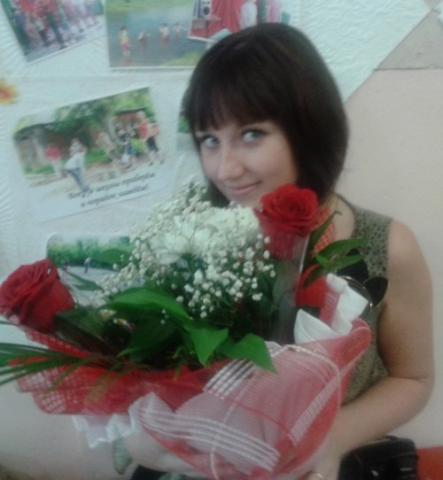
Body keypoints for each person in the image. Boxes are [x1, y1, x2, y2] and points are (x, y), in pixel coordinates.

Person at [127, 24, 434, 480]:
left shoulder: (386, 247)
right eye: (210, 139)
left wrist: (331, 440)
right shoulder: (186, 244)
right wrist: (150, 438)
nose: (225, 169)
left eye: (251, 134)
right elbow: (147, 376)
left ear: (309, 129)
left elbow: (413, 379)